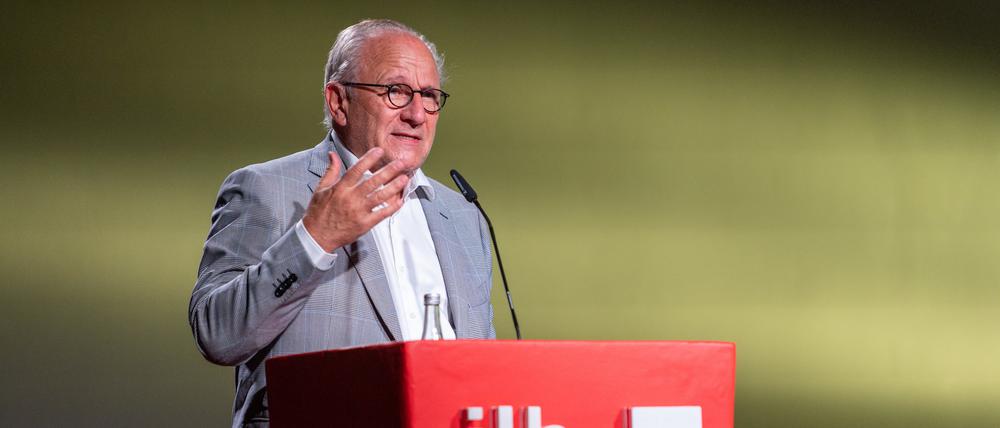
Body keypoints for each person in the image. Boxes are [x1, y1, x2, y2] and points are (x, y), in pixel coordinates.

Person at [188, 19, 495, 427]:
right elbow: (217, 334)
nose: (418, 113)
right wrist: (315, 238)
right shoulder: (267, 189)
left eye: (430, 95)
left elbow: (483, 372)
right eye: (396, 91)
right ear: (338, 102)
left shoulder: (463, 218)